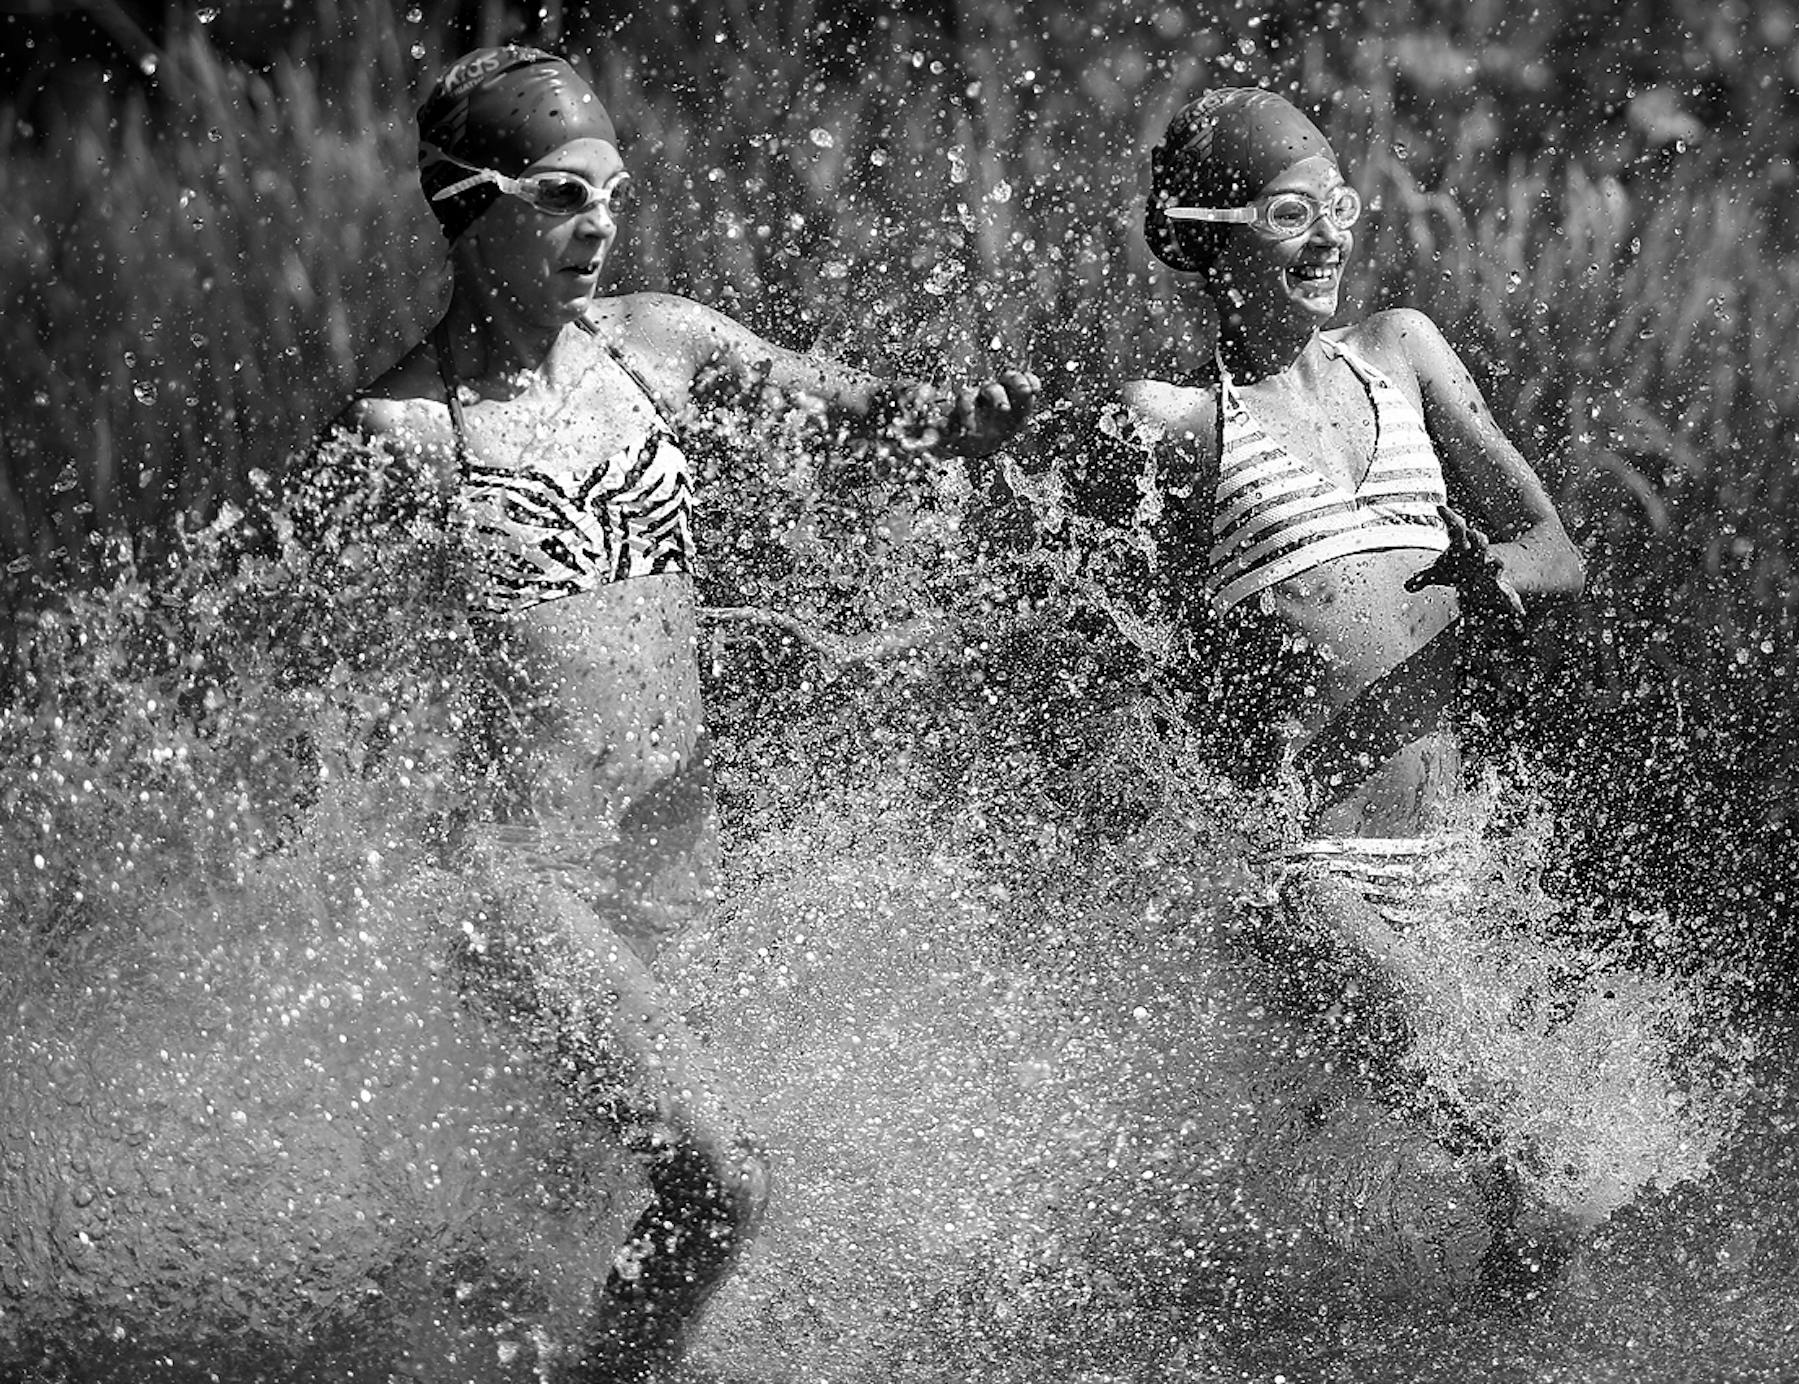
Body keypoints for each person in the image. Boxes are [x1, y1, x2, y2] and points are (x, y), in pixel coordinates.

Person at [318, 46, 1037, 1381]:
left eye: (613, 189)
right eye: (560, 192)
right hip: (525, 883)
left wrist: (960, 425)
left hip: (670, 883)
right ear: (472, 202)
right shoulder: (405, 434)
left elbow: (865, 416)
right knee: (720, 1184)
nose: (599, 221)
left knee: (575, 1218)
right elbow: (323, 681)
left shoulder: (664, 345)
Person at [1097, 87, 1585, 1300]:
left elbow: (1554, 546)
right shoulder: (1175, 426)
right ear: (1212, 234)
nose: (1329, 238)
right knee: (1532, 1161)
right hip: (1310, 879)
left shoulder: (1404, 352)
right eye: (1289, 212)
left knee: (1513, 1245)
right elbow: (1120, 643)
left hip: (1455, 867)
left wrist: (1501, 574)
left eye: (1338, 208)